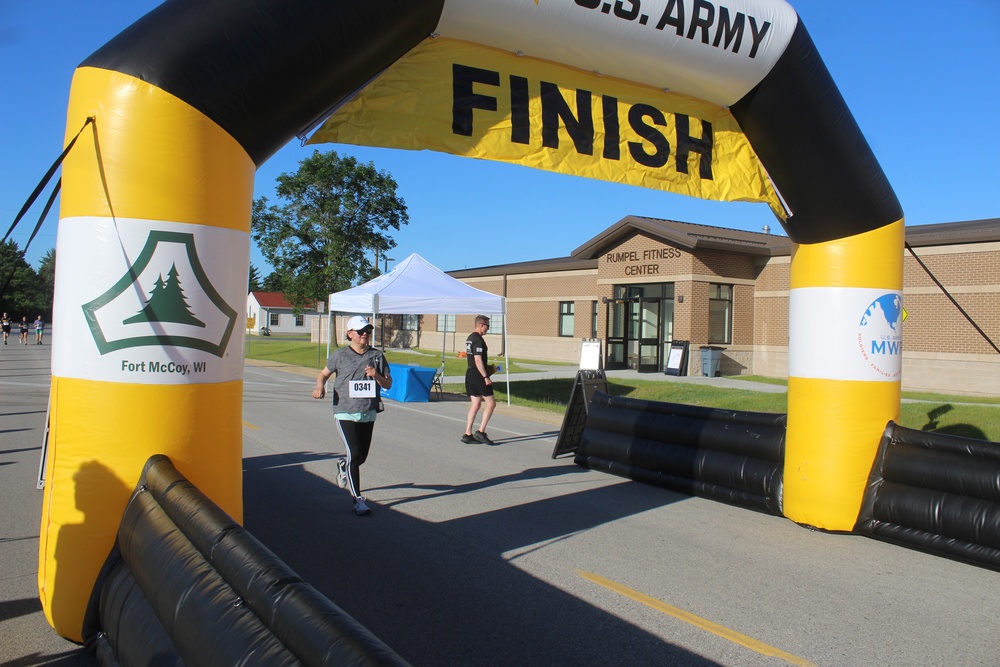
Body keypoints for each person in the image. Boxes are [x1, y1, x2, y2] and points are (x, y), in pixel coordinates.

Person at [312, 315, 392, 516]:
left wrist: (377, 375)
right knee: (355, 455)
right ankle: (358, 500)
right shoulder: (339, 356)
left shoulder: (377, 356)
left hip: (368, 411)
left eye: (368, 331)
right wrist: (320, 386)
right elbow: (323, 374)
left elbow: (388, 384)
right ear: (350, 334)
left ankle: (343, 464)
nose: (365, 334)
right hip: (345, 411)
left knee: (361, 457)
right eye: (361, 331)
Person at [462, 315, 497, 445]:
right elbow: (477, 359)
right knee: (491, 403)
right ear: (481, 325)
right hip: (478, 375)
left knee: (476, 404)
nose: (488, 328)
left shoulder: (470, 338)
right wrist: (485, 376)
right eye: (487, 326)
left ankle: (467, 434)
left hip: (470, 373)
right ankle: (481, 432)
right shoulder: (477, 339)